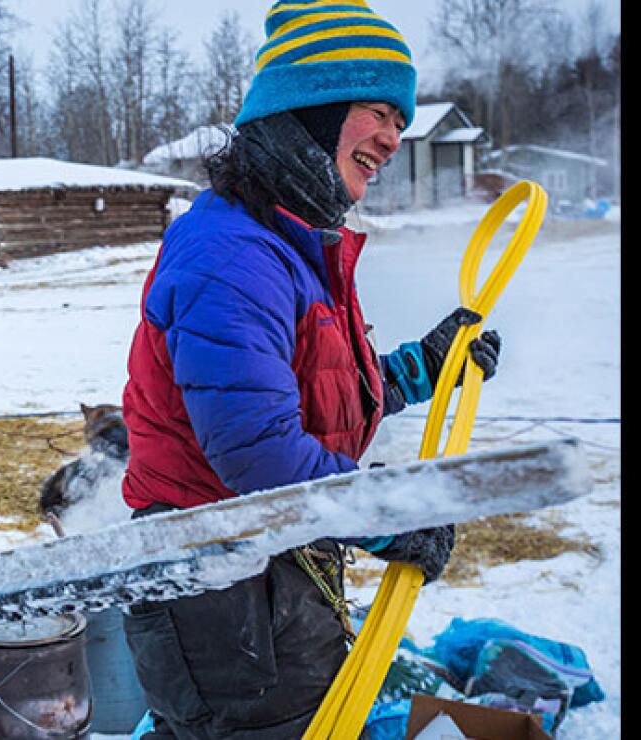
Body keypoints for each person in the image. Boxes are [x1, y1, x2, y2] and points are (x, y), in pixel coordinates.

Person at [120, 3, 503, 738]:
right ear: (312, 109)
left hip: (273, 562)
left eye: (400, 119)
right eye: (378, 111)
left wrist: (424, 368)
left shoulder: (291, 245)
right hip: (219, 582)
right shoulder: (230, 253)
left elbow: (313, 399)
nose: (393, 137)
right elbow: (257, 449)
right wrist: (388, 514)